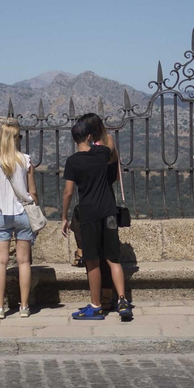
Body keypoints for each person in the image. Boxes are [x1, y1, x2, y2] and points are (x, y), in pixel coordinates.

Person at [60, 113, 131, 322]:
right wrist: (102, 132)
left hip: (89, 214)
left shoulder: (72, 161)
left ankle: (96, 305)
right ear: (90, 137)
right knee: (113, 259)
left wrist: (64, 216)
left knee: (92, 262)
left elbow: (68, 192)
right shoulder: (101, 153)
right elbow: (111, 148)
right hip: (108, 211)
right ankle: (122, 301)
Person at [0, 120, 37, 319]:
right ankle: (24, 306)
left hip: (1, 214)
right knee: (24, 262)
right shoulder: (26, 160)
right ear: (15, 139)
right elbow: (32, 191)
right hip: (22, 214)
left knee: (0, 262)